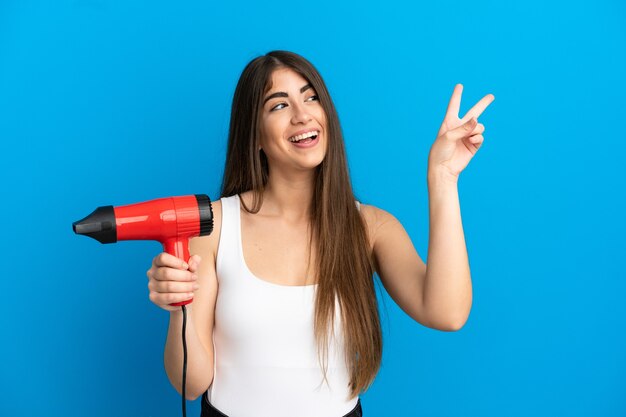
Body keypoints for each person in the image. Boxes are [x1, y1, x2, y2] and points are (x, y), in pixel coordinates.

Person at [145, 50, 494, 417]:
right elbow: (190, 384)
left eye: (311, 97)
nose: (302, 114)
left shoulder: (370, 228)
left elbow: (448, 313)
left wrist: (443, 177)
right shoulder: (213, 227)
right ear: (255, 135)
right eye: (279, 106)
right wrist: (178, 308)